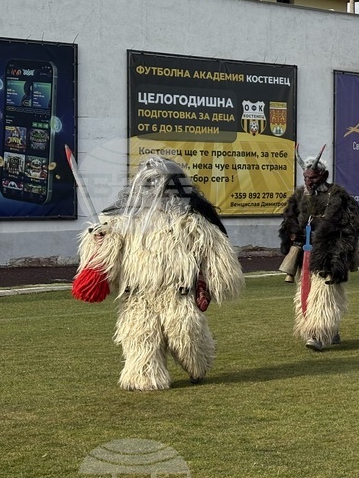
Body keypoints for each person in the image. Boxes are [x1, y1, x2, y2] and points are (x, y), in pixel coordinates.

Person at [71, 157, 245, 391]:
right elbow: (106, 253)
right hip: (137, 295)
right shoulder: (120, 222)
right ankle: (144, 377)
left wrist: (215, 277)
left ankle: (198, 363)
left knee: (186, 335)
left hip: (178, 292)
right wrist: (99, 238)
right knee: (140, 336)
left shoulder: (190, 221)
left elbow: (213, 249)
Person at [279, 156, 359, 350]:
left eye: (314, 178)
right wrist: (292, 232)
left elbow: (350, 227)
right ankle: (331, 331)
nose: (309, 182)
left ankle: (318, 335)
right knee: (306, 293)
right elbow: (289, 219)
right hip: (305, 253)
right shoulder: (300, 196)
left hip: (329, 254)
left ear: (324, 175)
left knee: (324, 294)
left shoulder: (338, 197)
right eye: (306, 177)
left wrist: (338, 257)